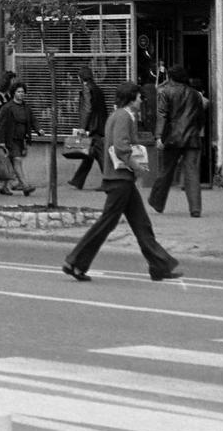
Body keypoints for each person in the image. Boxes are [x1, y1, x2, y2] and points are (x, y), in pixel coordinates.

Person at [61, 82, 183, 283]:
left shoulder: (117, 115)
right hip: (120, 179)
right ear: (131, 98)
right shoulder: (124, 117)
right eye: (138, 96)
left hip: (121, 179)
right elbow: (121, 147)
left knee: (141, 224)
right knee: (106, 224)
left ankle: (160, 266)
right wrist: (137, 166)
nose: (141, 100)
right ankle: (74, 262)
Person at [150, 64, 206, 217]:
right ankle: (195, 209)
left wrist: (159, 136)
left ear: (170, 77)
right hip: (192, 138)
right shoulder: (195, 94)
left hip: (172, 138)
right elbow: (201, 117)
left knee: (166, 171)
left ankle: (157, 202)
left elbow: (162, 115)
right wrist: (195, 130)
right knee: (192, 173)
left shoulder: (165, 92)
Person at [0, 81, 38, 197]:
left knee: (10, 164)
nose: (21, 94)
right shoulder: (7, 108)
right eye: (19, 92)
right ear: (14, 93)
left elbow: (33, 120)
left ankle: (4, 187)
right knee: (17, 161)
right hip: (10, 140)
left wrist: (39, 130)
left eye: (23, 92)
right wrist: (2, 142)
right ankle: (25, 186)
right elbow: (2, 125)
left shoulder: (26, 108)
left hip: (21, 140)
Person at [68, 67, 107, 191]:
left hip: (92, 127)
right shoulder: (97, 89)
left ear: (80, 78)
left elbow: (87, 109)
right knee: (89, 155)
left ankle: (109, 181)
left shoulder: (86, 89)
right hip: (99, 125)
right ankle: (77, 181)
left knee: (99, 155)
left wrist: (83, 128)